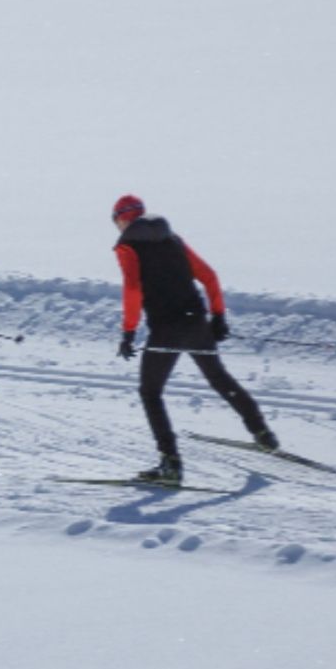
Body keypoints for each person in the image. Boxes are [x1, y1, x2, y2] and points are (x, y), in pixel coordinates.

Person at [111, 194, 277, 482]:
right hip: (196, 322)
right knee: (219, 378)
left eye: (116, 222)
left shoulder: (128, 247)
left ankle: (170, 463)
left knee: (150, 392)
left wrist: (128, 331)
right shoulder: (172, 238)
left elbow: (133, 290)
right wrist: (218, 316)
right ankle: (262, 432)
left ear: (123, 219)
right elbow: (209, 275)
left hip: (166, 328)